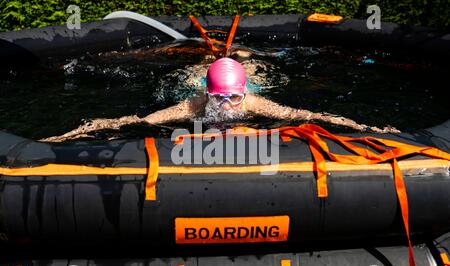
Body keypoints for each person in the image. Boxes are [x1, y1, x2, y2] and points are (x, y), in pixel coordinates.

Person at [42, 57, 399, 142]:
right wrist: (78, 132)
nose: (227, 105)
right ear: (208, 94)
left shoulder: (256, 104)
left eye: (234, 97)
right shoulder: (193, 105)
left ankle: (244, 59)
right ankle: (204, 62)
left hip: (250, 82)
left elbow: (317, 114)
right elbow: (140, 120)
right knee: (183, 79)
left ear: (244, 94)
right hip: (197, 85)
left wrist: (365, 127)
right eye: (220, 97)